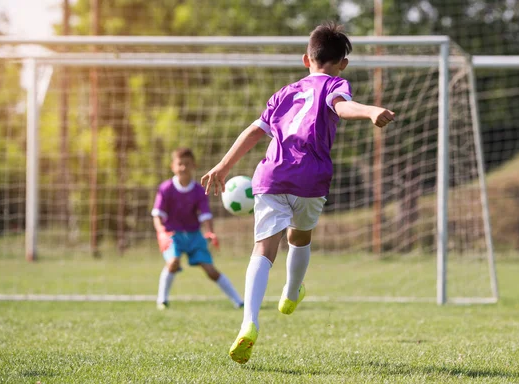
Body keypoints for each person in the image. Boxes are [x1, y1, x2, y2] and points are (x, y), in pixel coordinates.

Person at [201, 22, 395, 364]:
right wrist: (369, 111)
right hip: (310, 176)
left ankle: (249, 322)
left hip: (271, 174)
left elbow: (253, 131)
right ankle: (291, 292)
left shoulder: (285, 92)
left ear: (306, 59)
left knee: (263, 249)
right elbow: (341, 107)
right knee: (300, 237)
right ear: (342, 63)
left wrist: (223, 165)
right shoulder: (337, 84)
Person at [152, 147, 243, 310]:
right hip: (172, 235)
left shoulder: (199, 191)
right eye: (180, 164)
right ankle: (162, 300)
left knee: (211, 271)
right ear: (173, 166)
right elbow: (157, 215)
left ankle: (238, 301)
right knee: (173, 262)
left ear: (194, 166)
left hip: (194, 235)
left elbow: (205, 215)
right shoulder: (166, 188)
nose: (183, 168)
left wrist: (210, 232)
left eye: (187, 164)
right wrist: (162, 233)